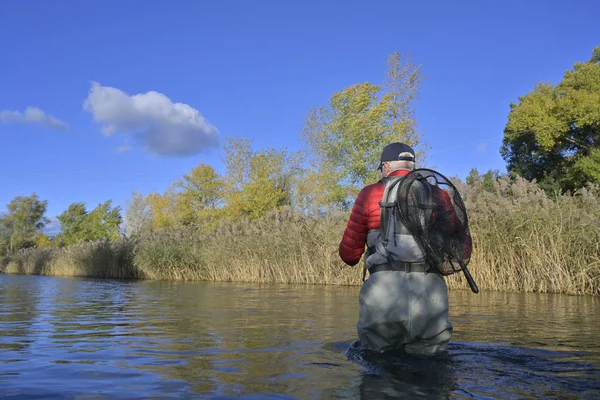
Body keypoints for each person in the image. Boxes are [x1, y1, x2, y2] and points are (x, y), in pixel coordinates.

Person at [339, 142, 453, 356]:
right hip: (430, 293)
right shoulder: (439, 195)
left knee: (378, 363)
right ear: (412, 166)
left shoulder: (370, 194)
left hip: (384, 292)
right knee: (432, 368)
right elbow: (457, 244)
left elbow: (349, 255)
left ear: (386, 166)